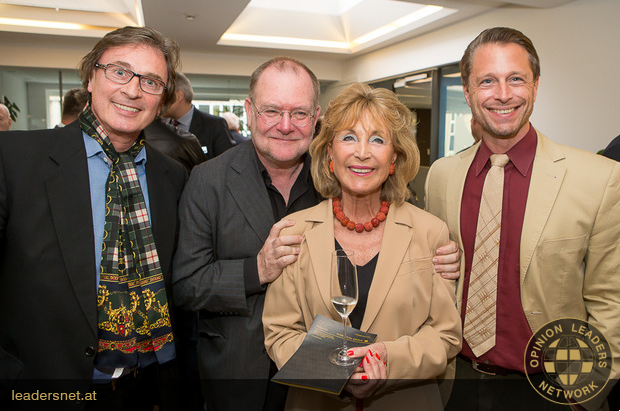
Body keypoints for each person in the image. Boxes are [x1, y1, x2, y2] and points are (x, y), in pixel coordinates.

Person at [172, 56, 461, 411]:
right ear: (249, 111)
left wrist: (380, 361)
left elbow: (443, 331)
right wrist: (259, 269)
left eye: (299, 113)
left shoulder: (421, 225)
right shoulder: (212, 182)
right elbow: (188, 285)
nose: (285, 125)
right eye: (271, 111)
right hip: (252, 378)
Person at [425, 27, 620, 411]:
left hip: (551, 391)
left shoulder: (598, 179)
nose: (502, 94)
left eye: (516, 79)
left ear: (535, 86)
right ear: (467, 92)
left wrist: (586, 395)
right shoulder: (441, 176)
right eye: (487, 81)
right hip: (452, 384)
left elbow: (611, 300)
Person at [0, 26, 188, 410]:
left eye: (151, 82)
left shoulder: (172, 177)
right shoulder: (14, 159)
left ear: (163, 99)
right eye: (119, 71)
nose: (133, 90)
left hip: (144, 388)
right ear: (91, 77)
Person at [262, 82, 462, 411]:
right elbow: (280, 331)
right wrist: (336, 371)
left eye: (378, 139)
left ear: (394, 157)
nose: (363, 152)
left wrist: (386, 360)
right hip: (317, 401)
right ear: (329, 153)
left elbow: (445, 335)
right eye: (349, 137)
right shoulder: (294, 231)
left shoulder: (430, 232)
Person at [162, 71, 235, 159]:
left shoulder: (214, 125)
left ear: (179, 96)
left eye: (164, 94)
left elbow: (229, 162)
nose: (160, 100)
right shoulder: (161, 127)